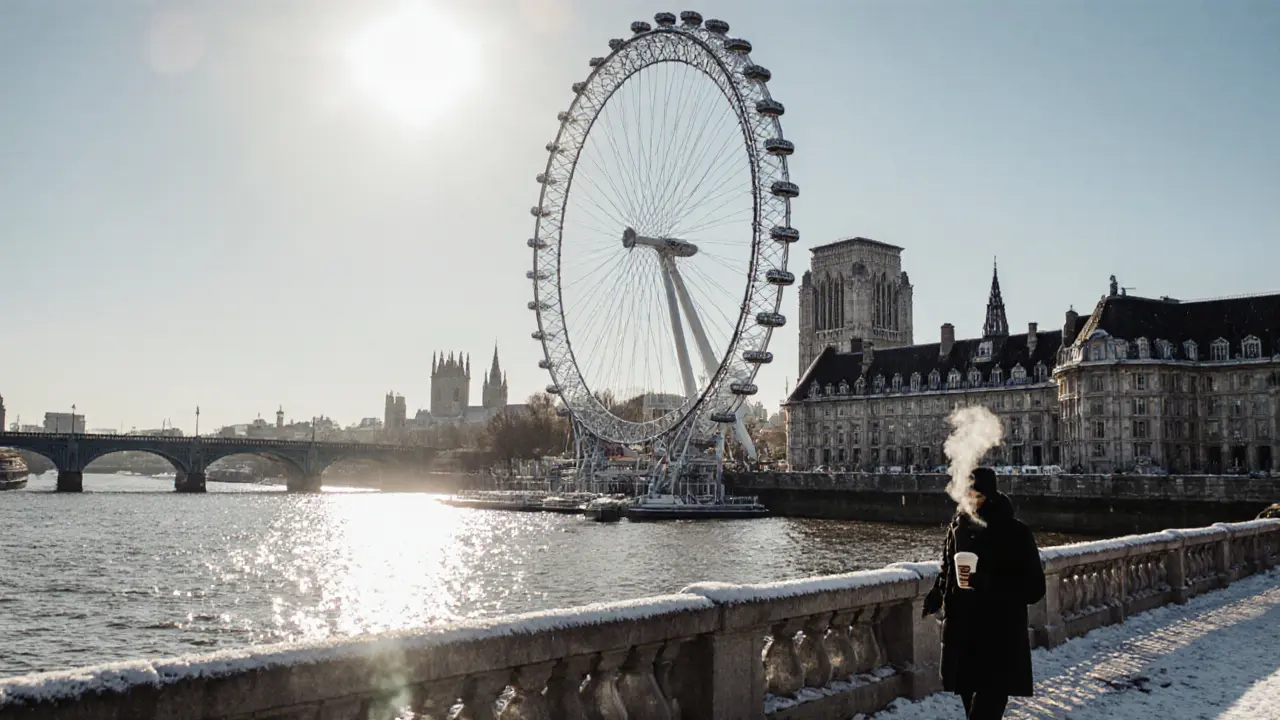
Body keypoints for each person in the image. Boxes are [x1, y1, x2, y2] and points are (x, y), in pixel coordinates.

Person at [922, 467, 1046, 719]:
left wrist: (988, 583)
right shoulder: (957, 528)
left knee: (984, 712)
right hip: (964, 634)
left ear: (989, 496)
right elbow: (948, 569)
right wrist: (937, 592)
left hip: (998, 637)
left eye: (975, 496)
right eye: (966, 495)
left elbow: (1034, 588)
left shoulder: (1015, 533)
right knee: (972, 710)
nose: (969, 502)